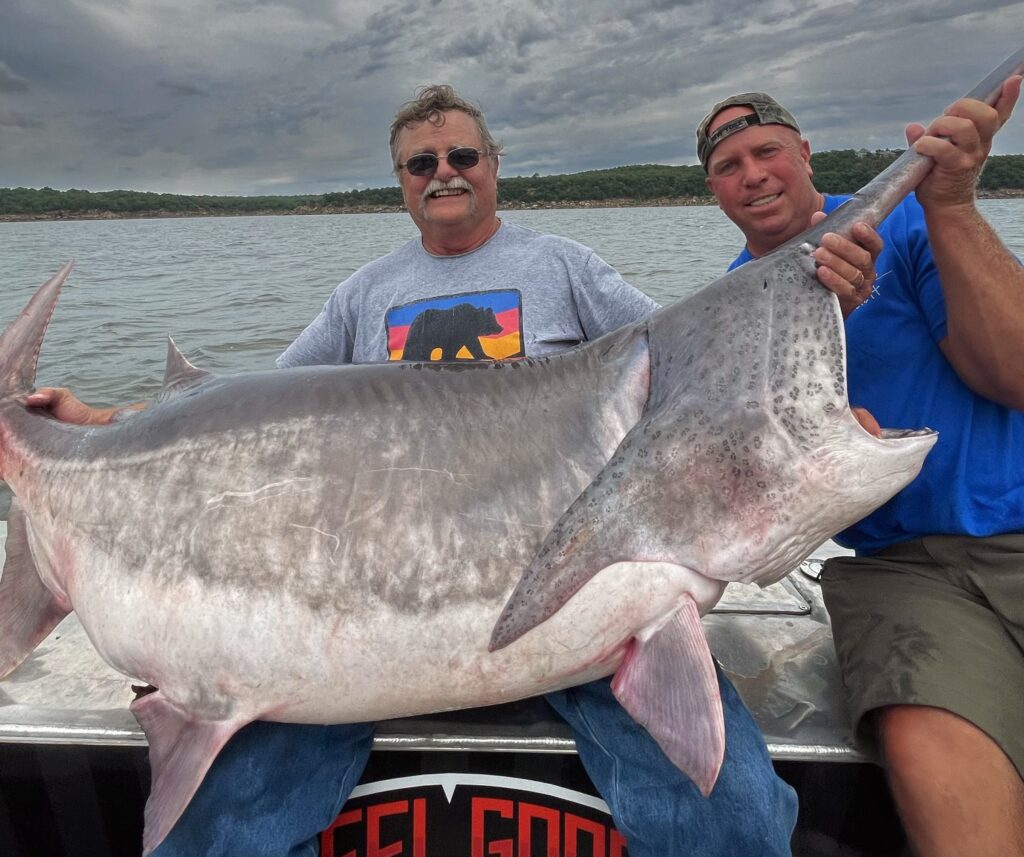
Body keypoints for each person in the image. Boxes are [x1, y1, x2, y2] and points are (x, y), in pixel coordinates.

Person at [31, 85, 874, 856]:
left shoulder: (565, 266)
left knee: (735, 819)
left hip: (574, 603)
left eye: (462, 156)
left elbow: (690, 369)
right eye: (421, 163)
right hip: (358, 619)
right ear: (401, 182)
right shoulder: (362, 294)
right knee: (222, 827)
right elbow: (232, 422)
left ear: (494, 167)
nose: (445, 174)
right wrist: (99, 423)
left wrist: (819, 329)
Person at [696, 78, 1024, 857]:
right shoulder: (731, 304)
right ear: (713, 191)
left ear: (804, 152)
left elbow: (1014, 373)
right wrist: (824, 326)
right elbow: (761, 493)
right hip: (900, 569)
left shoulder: (905, 216)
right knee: (931, 752)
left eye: (767, 150)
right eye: (729, 164)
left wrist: (951, 206)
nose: (753, 173)